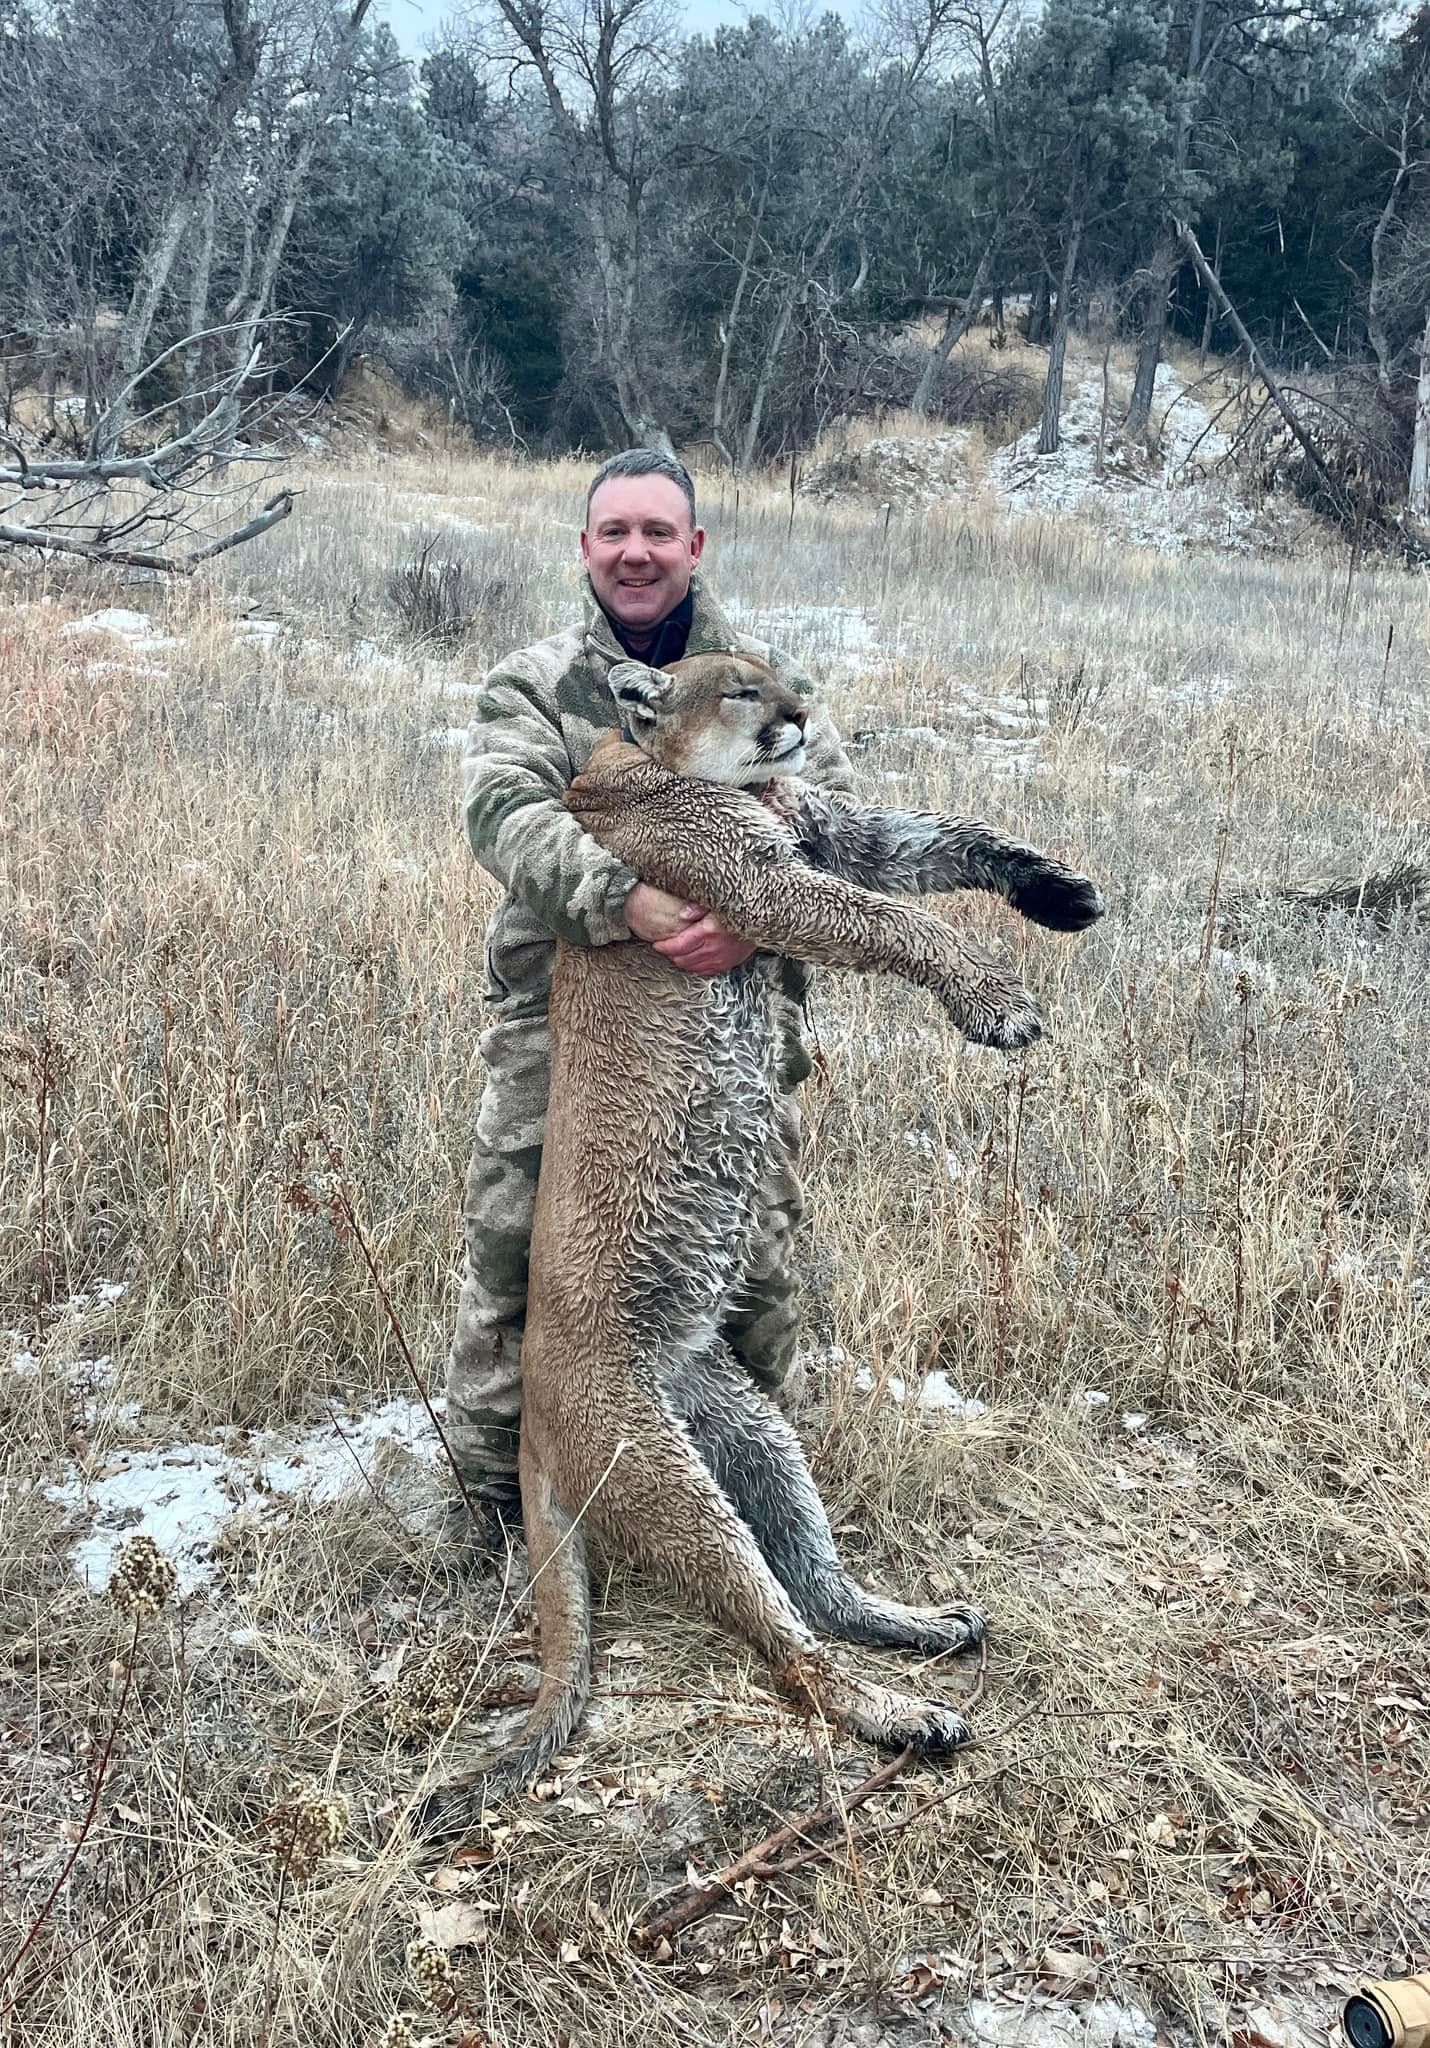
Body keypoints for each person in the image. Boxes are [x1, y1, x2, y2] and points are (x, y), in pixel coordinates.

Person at [447, 447, 853, 1534]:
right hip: (567, 1028)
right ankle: (497, 1507)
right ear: (585, 547)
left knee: (749, 1247)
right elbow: (502, 815)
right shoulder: (532, 684)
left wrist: (750, 912)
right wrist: (627, 898)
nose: (635, 552)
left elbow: (824, 811)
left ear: (693, 547)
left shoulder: (762, 673)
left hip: (727, 1019)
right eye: (614, 531)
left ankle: (752, 1509)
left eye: (656, 532)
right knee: (517, 1252)